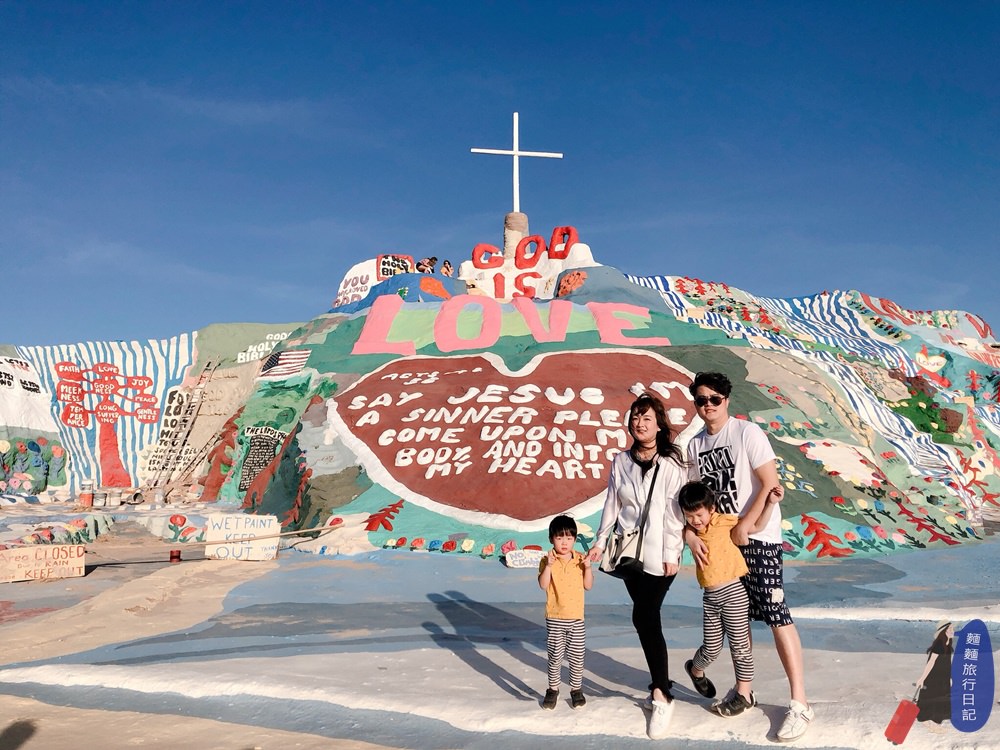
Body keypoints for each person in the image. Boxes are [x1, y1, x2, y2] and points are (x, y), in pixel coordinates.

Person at [685, 371, 814, 742]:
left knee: (776, 614)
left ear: (726, 399)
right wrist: (689, 535)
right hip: (720, 545)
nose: (708, 405)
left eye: (715, 398)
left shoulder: (747, 433)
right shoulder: (695, 445)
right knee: (737, 620)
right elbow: (691, 499)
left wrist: (746, 525)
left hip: (758, 538)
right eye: (701, 399)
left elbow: (770, 484)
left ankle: (800, 703)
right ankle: (744, 691)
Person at [587, 393, 687, 740]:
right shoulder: (621, 461)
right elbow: (612, 503)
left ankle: (662, 694)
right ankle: (659, 684)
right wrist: (600, 541)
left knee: (644, 616)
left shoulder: (672, 463)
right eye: (635, 418)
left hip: (661, 552)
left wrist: (673, 551)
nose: (639, 423)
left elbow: (676, 513)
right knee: (646, 617)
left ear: (659, 425)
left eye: (646, 418)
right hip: (629, 553)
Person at [678, 480, 782, 718]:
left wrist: (770, 504)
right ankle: (695, 670)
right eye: (689, 516)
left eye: (699, 515)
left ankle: (744, 694)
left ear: (711, 509)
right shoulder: (691, 531)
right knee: (711, 648)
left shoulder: (724, 521)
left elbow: (756, 526)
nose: (695, 520)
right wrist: (690, 535)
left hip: (734, 593)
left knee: (740, 646)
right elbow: (682, 529)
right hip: (710, 597)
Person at [538, 514, 594, 710]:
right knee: (555, 656)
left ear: (575, 539)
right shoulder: (547, 560)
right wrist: (549, 566)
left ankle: (576, 690)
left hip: (576, 618)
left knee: (577, 656)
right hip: (555, 617)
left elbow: (588, 586)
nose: (564, 542)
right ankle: (552, 689)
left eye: (569, 538)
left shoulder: (580, 559)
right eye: (559, 537)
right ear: (551, 539)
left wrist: (588, 567)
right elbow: (543, 584)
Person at [915, 620, 954, 724]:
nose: (952, 631)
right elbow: (931, 662)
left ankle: (938, 717)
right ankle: (928, 717)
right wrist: (922, 678)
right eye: (949, 629)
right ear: (943, 631)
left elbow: (947, 663)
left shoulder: (948, 645)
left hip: (943, 676)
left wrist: (949, 677)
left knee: (941, 696)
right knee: (933, 695)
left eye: (952, 628)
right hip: (934, 676)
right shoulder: (939, 645)